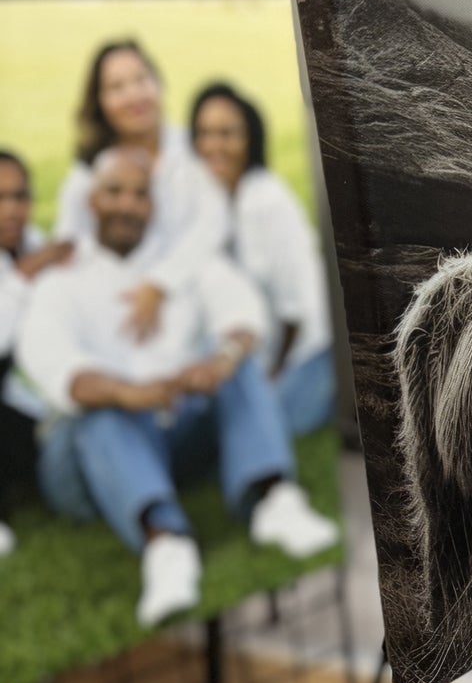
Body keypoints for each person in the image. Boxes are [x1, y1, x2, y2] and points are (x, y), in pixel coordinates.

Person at [18, 149, 338, 629]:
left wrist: (218, 362)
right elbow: (56, 368)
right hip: (88, 461)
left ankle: (274, 500)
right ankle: (166, 545)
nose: (127, 205)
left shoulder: (178, 261)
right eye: (114, 192)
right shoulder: (62, 279)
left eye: (140, 195)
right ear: (91, 200)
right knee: (98, 410)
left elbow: (242, 312)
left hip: (171, 426)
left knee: (237, 364)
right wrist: (130, 393)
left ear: (154, 205)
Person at [54, 40, 227, 345]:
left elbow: (214, 223)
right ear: (100, 102)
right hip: (123, 324)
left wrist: (160, 284)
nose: (134, 94)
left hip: (203, 308)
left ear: (157, 83)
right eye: (117, 86)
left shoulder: (194, 146)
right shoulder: (87, 175)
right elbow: (69, 254)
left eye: (141, 79)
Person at [191, 84, 336, 439]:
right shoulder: (205, 201)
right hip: (251, 351)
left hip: (305, 353)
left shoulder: (269, 203)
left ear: (250, 139)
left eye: (227, 134)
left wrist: (273, 375)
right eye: (205, 134)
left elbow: (295, 313)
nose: (215, 146)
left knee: (252, 430)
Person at [0, 151, 71, 556]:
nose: (11, 210)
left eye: (19, 196)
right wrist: (24, 275)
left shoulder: (33, 244)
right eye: (0, 198)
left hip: (31, 401)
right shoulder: (31, 259)